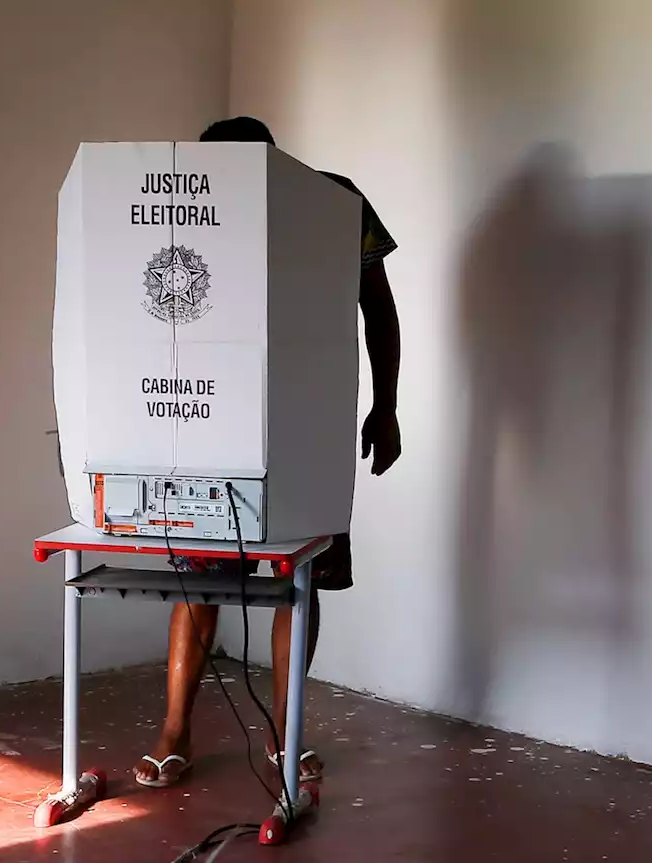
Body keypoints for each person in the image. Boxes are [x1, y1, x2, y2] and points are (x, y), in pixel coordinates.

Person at [133, 116, 402, 788]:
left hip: (310, 421)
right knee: (199, 574)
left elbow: (379, 306)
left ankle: (286, 735)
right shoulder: (188, 208)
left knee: (299, 577)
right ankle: (175, 731)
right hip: (211, 425)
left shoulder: (335, 201)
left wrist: (387, 405)